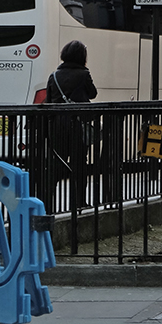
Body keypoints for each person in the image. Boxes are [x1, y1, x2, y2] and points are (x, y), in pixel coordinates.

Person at [44, 40, 97, 209]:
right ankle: (79, 201)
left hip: (58, 125)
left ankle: (48, 201)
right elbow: (93, 93)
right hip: (77, 124)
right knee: (80, 163)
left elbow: (49, 99)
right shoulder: (83, 74)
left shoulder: (54, 75)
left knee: (57, 163)